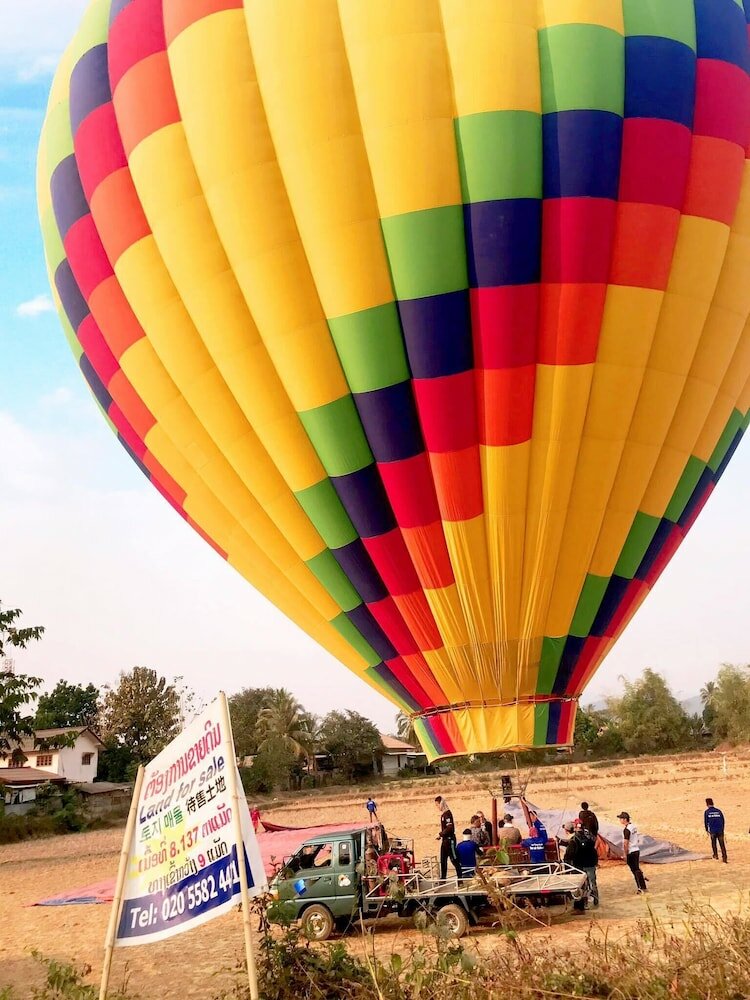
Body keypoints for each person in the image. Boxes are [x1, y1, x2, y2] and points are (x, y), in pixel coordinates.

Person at [564, 824, 599, 908]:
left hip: (579, 865)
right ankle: (596, 899)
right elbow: (594, 851)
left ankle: (583, 903)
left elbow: (569, 854)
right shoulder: (590, 838)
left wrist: (566, 864)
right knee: (593, 882)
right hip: (590, 864)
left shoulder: (574, 840)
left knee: (582, 885)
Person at [618, 811, 647, 893]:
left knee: (634, 870)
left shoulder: (626, 830)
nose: (620, 820)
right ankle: (643, 886)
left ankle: (640, 888)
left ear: (624, 819)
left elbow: (626, 843)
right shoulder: (633, 826)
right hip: (636, 850)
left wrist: (625, 854)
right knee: (637, 869)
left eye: (621, 819)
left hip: (631, 851)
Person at [435, 796, 462, 880]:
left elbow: (450, 827)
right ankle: (443, 878)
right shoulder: (443, 815)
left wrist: (440, 834)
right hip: (445, 840)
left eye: (437, 805)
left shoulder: (447, 814)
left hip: (450, 840)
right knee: (443, 859)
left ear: (441, 803)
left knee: (454, 859)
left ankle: (460, 878)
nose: (437, 807)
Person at [704, 798, 728, 863]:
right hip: (720, 830)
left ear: (707, 804)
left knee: (714, 843)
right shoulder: (719, 811)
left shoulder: (707, 812)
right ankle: (724, 857)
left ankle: (715, 855)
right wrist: (722, 828)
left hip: (713, 830)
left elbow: (706, 822)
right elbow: (723, 820)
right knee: (722, 844)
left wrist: (706, 829)